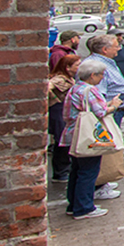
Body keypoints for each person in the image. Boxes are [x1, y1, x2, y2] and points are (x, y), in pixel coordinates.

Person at [60, 58, 122, 219]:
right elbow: (100, 112)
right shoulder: (90, 90)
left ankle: (73, 205)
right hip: (87, 136)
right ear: (93, 75)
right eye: (101, 75)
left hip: (73, 133)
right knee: (88, 172)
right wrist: (114, 105)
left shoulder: (75, 88)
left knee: (76, 170)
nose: (102, 78)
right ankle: (84, 207)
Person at [85, 34, 124, 129]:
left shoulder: (107, 61)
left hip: (114, 110)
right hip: (107, 113)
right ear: (105, 50)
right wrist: (111, 106)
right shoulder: (97, 65)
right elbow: (97, 94)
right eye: (116, 46)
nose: (119, 49)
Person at [48, 54, 80, 182]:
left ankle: (63, 170)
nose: (79, 67)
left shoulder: (69, 78)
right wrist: (55, 100)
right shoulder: (60, 79)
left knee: (63, 140)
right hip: (58, 111)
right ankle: (61, 172)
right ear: (67, 67)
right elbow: (47, 87)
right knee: (61, 141)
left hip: (62, 110)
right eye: (77, 65)